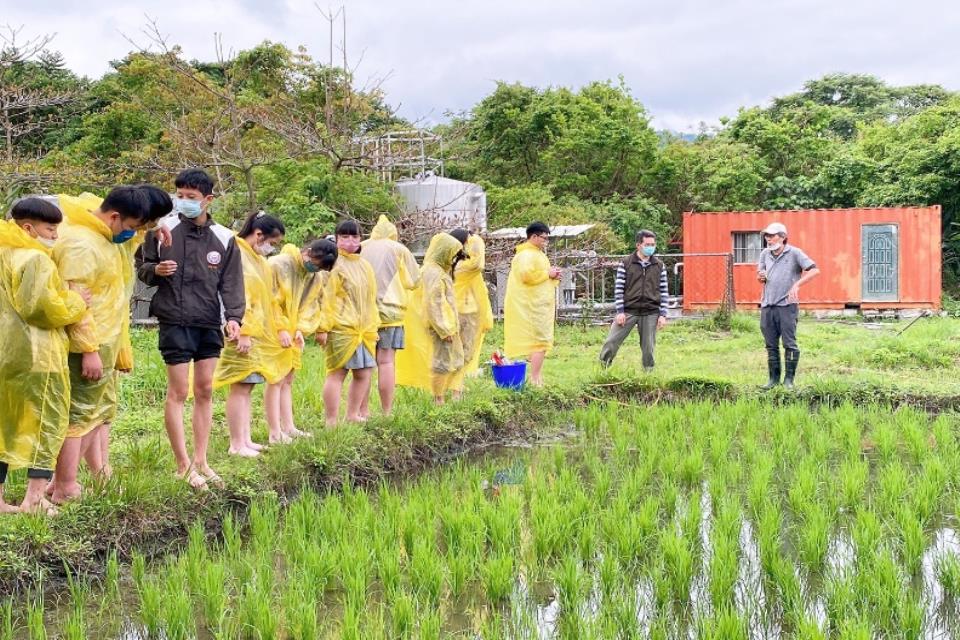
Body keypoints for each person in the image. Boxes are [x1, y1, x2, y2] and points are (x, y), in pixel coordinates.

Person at [136, 169, 245, 487]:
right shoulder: (161, 229)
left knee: (205, 390)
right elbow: (141, 267)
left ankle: (202, 460)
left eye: (191, 198)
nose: (183, 202)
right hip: (174, 319)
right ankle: (183, 465)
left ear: (208, 200)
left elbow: (231, 283)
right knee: (179, 391)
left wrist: (235, 317)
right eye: (179, 196)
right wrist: (156, 269)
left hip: (209, 321)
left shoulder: (225, 237)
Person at [51, 187, 158, 503]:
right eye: (132, 227)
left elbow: (115, 278)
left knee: (95, 414)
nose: (133, 234)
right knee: (78, 416)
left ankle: (60, 483)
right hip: (88, 346)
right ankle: (65, 487)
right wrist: (89, 350)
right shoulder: (81, 245)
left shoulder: (105, 238)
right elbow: (77, 302)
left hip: (108, 339)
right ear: (114, 216)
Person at [0, 199, 87, 515]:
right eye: (50, 228)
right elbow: (41, 309)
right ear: (28, 227)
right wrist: (76, 302)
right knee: (47, 420)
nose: (55, 235)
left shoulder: (4, 252)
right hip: (38, 353)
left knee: (5, 422)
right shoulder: (35, 259)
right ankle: (33, 500)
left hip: (6, 353)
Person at [213, 212, 288, 454]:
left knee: (248, 386)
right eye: (272, 243)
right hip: (239, 331)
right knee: (240, 386)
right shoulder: (239, 255)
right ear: (258, 235)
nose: (272, 249)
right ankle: (236, 443)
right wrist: (244, 331)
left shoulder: (255, 258)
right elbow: (240, 296)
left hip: (254, 333)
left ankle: (245, 439)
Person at [264, 238, 338, 442]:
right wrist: (280, 328)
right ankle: (274, 432)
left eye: (319, 267)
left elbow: (310, 305)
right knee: (275, 379)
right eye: (314, 263)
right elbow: (269, 301)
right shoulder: (278, 264)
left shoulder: (313, 276)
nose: (314, 268)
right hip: (272, 330)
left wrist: (300, 329)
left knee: (287, 379)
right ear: (308, 251)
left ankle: (288, 427)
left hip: (292, 332)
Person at [317, 220, 379, 426]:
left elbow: (370, 299)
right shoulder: (333, 264)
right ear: (336, 239)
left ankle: (352, 414)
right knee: (338, 373)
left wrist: (374, 325)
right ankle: (331, 420)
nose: (350, 241)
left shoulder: (364, 265)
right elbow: (326, 298)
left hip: (364, 329)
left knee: (363, 373)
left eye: (354, 237)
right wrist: (323, 328)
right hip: (341, 327)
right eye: (344, 237)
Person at [358, 215, 419, 417]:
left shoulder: (362, 247)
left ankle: (362, 411)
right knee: (386, 362)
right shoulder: (399, 249)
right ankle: (386, 412)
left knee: (365, 365)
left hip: (364, 313)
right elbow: (413, 281)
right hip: (390, 313)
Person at [757, 222, 820, 389]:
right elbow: (760, 274)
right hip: (767, 305)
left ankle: (789, 381)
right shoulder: (765, 254)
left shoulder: (794, 253)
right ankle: (773, 380)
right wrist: (761, 276)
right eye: (767, 236)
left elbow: (814, 270)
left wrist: (797, 285)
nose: (768, 239)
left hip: (787, 306)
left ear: (783, 237)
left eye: (772, 236)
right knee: (770, 344)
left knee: (789, 343)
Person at [599, 230, 669, 370]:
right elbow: (619, 289)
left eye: (653, 244)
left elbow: (664, 291)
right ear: (638, 245)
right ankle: (603, 368)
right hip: (629, 310)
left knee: (648, 348)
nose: (651, 247)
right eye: (647, 244)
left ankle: (648, 374)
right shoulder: (626, 264)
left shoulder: (659, 266)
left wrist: (663, 314)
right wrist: (620, 311)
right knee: (611, 341)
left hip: (651, 311)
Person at [503, 222, 561, 386]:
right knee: (539, 342)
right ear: (533, 236)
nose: (545, 241)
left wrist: (552, 276)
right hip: (532, 307)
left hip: (540, 305)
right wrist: (547, 274)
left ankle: (537, 377)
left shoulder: (537, 254)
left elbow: (541, 277)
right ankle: (535, 379)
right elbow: (526, 276)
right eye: (544, 238)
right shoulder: (526, 255)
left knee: (540, 343)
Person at [421, 233, 467, 404]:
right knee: (441, 362)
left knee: (455, 360)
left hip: (447, 325)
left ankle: (454, 394)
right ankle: (438, 398)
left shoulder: (437, 270)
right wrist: (443, 329)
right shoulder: (434, 273)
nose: (454, 259)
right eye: (453, 253)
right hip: (440, 327)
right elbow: (433, 304)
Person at [448, 228, 494, 394]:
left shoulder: (452, 263)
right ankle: (456, 390)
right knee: (464, 353)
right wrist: (475, 239)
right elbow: (478, 263)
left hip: (456, 311)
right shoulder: (465, 266)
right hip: (466, 312)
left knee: (456, 352)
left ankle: (454, 387)